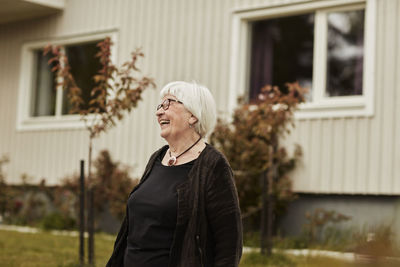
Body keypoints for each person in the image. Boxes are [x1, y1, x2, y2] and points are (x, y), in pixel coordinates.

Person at [106, 81, 243, 267]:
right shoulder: (158, 157)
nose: (159, 112)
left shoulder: (213, 165)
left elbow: (229, 244)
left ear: (193, 116)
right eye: (159, 105)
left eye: (168, 103)